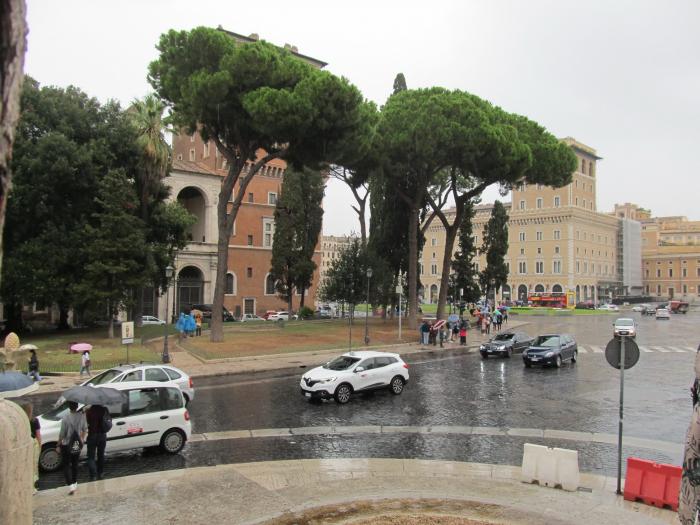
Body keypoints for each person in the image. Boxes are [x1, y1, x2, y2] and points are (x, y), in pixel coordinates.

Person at [57, 401, 87, 495]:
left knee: (66, 465)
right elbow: (85, 429)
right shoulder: (82, 416)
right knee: (75, 464)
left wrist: (58, 444)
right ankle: (74, 483)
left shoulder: (65, 418)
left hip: (66, 444)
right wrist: (82, 439)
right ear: (77, 406)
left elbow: (62, 433)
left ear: (69, 408)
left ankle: (70, 486)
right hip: (76, 444)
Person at [20, 401, 41, 493]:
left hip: (24, 444)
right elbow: (38, 435)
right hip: (33, 444)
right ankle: (33, 487)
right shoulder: (35, 420)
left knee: (25, 465)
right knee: (34, 466)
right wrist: (40, 446)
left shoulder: (21, 420)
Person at [85, 404, 109, 481]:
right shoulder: (104, 409)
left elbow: (86, 424)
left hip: (92, 435)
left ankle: (93, 475)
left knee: (91, 457)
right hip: (102, 435)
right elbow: (108, 419)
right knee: (101, 455)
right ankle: (100, 473)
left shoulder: (89, 411)